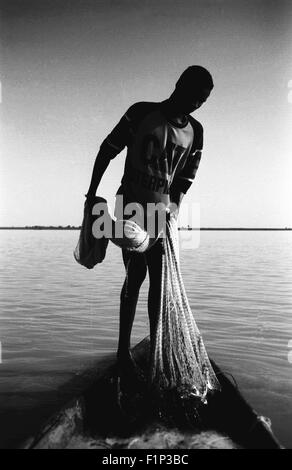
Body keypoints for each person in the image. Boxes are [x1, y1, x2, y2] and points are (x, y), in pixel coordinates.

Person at [86, 66, 213, 380]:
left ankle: (157, 348)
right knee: (135, 276)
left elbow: (184, 180)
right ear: (178, 85)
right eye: (194, 94)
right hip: (130, 205)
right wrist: (91, 193)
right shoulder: (141, 114)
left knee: (160, 284)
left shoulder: (196, 132)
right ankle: (122, 352)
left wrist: (173, 208)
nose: (197, 103)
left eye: (203, 99)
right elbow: (108, 150)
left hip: (161, 214)